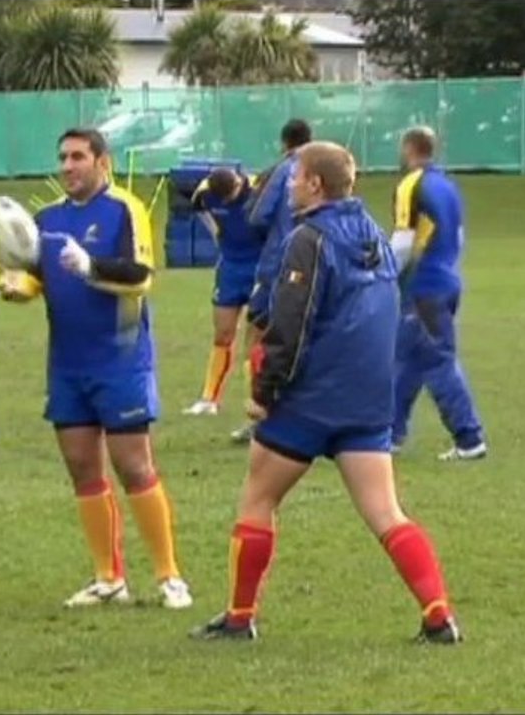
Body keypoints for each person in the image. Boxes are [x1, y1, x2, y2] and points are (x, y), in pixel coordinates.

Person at [190, 142, 461, 644]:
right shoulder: (376, 235)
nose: (289, 185)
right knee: (386, 512)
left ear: (315, 184)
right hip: (367, 400)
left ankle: (239, 617)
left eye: (295, 178)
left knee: (257, 497)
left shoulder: (307, 239)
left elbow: (290, 326)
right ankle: (438, 615)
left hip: (312, 400)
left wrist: (266, 393)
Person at [0, 128, 192, 610]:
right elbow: (37, 274)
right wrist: (19, 284)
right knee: (82, 466)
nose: (68, 166)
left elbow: (141, 279)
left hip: (121, 358)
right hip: (67, 363)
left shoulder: (124, 210)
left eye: (78, 157)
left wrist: (90, 267)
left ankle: (169, 576)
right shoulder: (46, 219)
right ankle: (109, 577)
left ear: (101, 162)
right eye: (62, 157)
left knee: (134, 465)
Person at [390, 126, 487, 461]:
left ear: (409, 148)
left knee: (436, 361)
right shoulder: (447, 185)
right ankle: (390, 434)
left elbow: (403, 241)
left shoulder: (411, 184)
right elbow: (457, 236)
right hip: (446, 279)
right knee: (406, 358)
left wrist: (384, 274)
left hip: (423, 286)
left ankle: (469, 438)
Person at [230, 119, 312, 444]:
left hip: (279, 262)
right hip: (315, 261)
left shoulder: (283, 170)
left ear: (284, 142)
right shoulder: (325, 165)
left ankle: (262, 413)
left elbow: (258, 215)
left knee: (258, 336)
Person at [182, 167, 264, 417]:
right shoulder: (205, 193)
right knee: (223, 332)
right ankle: (210, 399)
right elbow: (198, 207)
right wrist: (216, 232)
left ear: (239, 184)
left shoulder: (258, 190)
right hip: (230, 267)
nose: (228, 202)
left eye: (232, 196)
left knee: (257, 338)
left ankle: (257, 399)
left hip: (260, 266)